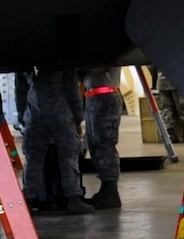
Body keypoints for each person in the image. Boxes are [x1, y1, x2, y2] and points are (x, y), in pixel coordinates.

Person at [22, 67, 90, 214]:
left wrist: (24, 117)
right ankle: (73, 198)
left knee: (33, 158)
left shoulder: (27, 57)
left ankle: (27, 200)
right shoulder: (62, 60)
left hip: (35, 115)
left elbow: (20, 89)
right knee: (69, 157)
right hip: (61, 114)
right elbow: (72, 89)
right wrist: (78, 117)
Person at [81, 67, 124, 210]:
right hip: (95, 96)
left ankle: (111, 191)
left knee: (104, 143)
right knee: (95, 143)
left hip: (105, 96)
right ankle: (106, 189)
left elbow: (100, 66)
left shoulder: (106, 48)